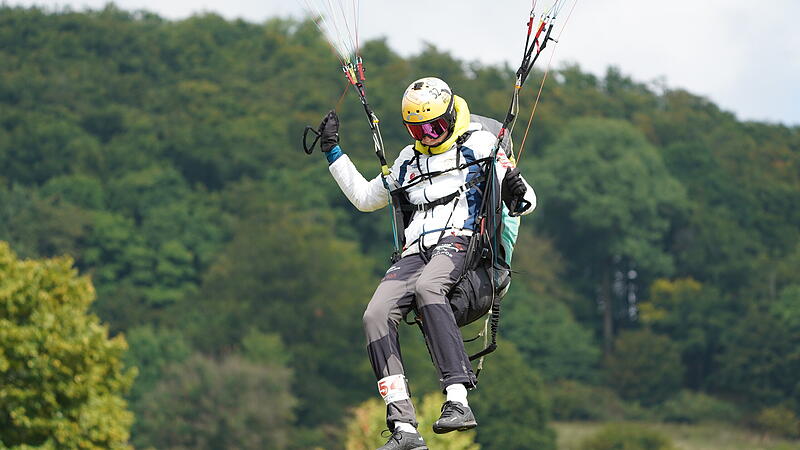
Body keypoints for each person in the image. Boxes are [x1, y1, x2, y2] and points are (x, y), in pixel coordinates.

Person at [316, 77, 536, 450]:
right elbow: (366, 198)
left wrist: (516, 192)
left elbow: (526, 199)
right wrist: (333, 152)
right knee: (375, 314)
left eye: (435, 125)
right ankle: (402, 425)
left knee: (428, 288)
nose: (429, 135)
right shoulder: (407, 159)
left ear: (451, 116)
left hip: (461, 240)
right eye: (418, 129)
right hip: (415, 250)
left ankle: (457, 399)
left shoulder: (481, 144)